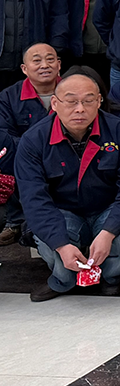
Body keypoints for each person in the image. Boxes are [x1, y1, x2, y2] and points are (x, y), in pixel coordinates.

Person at [16, 70, 120, 301]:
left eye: (88, 101)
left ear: (99, 101)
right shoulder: (34, 140)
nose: (80, 109)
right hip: (63, 213)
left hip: (108, 209)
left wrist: (108, 232)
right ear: (55, 103)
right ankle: (61, 281)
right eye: (71, 101)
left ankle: (110, 277)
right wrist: (61, 245)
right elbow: (33, 198)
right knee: (54, 247)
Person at [0, 42, 63, 244]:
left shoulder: (73, 90)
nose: (44, 65)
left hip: (66, 154)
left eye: (50, 59)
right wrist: (35, 151)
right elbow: (4, 134)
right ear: (24, 68)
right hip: (23, 156)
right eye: (37, 61)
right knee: (5, 154)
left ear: (59, 64)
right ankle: (16, 220)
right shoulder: (9, 96)